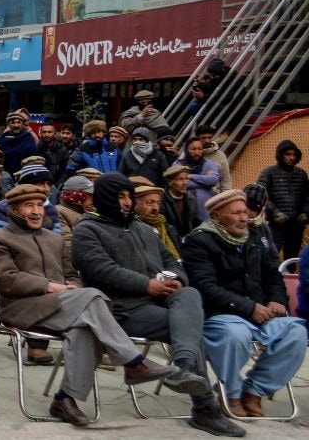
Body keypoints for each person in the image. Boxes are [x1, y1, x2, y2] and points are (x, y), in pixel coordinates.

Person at [0, 184, 178, 426]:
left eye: (39, 206)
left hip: (61, 305)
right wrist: (50, 286)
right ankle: (133, 362)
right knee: (94, 297)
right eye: (28, 206)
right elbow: (5, 279)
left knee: (86, 326)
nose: (36, 212)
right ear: (13, 210)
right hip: (21, 308)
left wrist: (73, 287)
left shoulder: (55, 240)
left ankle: (64, 399)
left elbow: (72, 274)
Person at [70, 172, 241, 437]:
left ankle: (183, 368)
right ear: (105, 198)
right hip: (120, 310)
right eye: (120, 197)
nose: (126, 202)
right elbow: (101, 269)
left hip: (159, 302)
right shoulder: (87, 229)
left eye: (128, 196)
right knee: (189, 329)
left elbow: (171, 260)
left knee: (190, 295)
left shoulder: (141, 228)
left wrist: (176, 280)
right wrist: (147, 285)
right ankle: (205, 407)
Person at [182, 189, 307, 418]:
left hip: (260, 314)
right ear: (217, 216)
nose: (243, 218)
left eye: (244, 213)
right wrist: (249, 307)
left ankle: (254, 391)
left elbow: (273, 274)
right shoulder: (199, 241)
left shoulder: (255, 237)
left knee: (297, 331)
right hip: (220, 315)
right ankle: (230, 393)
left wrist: (277, 300)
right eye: (236, 214)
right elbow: (205, 287)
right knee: (234, 335)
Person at [255, 139, 309, 260]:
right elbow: (259, 193)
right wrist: (274, 211)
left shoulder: (301, 174)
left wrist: (306, 212)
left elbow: (307, 196)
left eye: (294, 154)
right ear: (280, 155)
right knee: (271, 255)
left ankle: (288, 278)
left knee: (291, 257)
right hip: (276, 224)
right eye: (288, 154)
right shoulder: (269, 172)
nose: (291, 157)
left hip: (296, 224)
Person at [162, 165, 207, 239]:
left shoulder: (191, 199)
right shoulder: (162, 200)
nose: (185, 183)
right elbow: (164, 227)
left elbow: (197, 222)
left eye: (186, 179)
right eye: (180, 179)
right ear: (170, 182)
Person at [0, 110, 38, 175]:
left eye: (19, 123)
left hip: (24, 173)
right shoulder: (3, 138)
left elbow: (33, 156)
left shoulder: (28, 137)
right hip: (6, 173)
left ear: (22, 124)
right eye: (13, 123)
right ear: (8, 124)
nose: (16, 125)